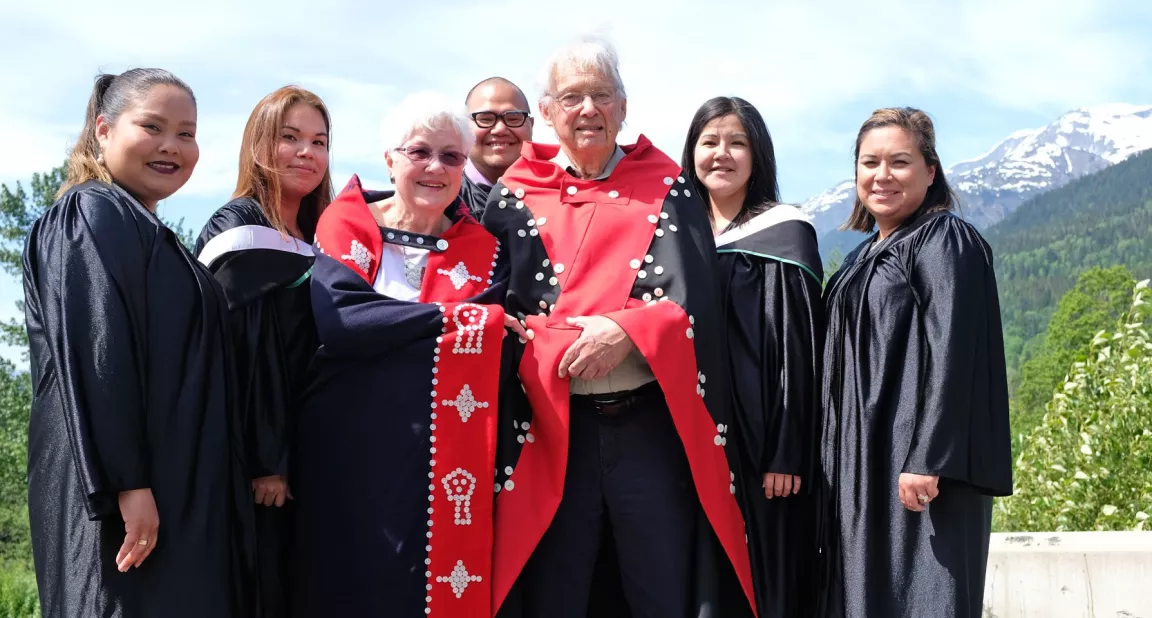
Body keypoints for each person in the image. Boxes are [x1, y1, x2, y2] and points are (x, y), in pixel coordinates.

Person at [482, 35, 756, 618]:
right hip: (552, 435)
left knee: (660, 591)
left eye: (601, 95)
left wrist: (627, 331)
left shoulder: (669, 185)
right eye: (572, 97)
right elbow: (496, 313)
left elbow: (700, 303)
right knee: (555, 592)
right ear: (549, 112)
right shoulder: (512, 197)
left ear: (623, 107)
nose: (588, 110)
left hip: (648, 431)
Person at [22, 69, 253, 617]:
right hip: (123, 498)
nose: (172, 146)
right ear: (103, 130)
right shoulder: (91, 211)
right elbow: (100, 352)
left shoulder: (147, 229)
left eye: (186, 133)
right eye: (152, 126)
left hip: (169, 487)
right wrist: (128, 485)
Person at [290, 91, 526, 617]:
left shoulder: (485, 249)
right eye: (419, 152)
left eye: (452, 156)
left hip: (446, 452)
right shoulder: (346, 222)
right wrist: (454, 318)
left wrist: (396, 328)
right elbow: (346, 322)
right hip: (350, 449)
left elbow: (493, 345)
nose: (435, 168)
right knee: (351, 584)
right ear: (390, 159)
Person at [818, 107, 1013, 618]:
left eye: (899, 162)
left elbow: (955, 351)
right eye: (869, 162)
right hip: (864, 463)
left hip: (919, 468)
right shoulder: (862, 257)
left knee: (922, 599)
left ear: (931, 171)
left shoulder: (944, 240)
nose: (882, 175)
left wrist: (929, 457)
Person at [194, 85, 334, 618]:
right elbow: (247, 352)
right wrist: (267, 459)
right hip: (262, 455)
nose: (307, 152)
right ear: (258, 145)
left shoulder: (325, 232)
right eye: (290, 137)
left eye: (319, 141)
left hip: (317, 439)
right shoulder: (239, 230)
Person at [683, 96, 824, 618]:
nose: (722, 154)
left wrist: (786, 451)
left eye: (737, 142)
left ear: (758, 154)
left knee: (765, 574)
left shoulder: (785, 231)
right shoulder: (678, 232)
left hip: (760, 439)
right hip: (690, 436)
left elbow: (798, 348)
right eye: (710, 142)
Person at [460, 77, 534, 218]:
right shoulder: (444, 201)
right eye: (485, 119)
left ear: (531, 125)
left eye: (513, 118)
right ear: (463, 126)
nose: (500, 129)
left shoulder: (556, 195)